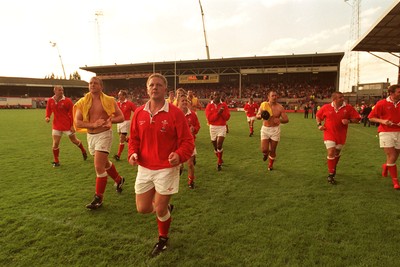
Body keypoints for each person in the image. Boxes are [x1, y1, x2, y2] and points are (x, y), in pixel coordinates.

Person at [128, 73, 194, 257]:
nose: (155, 87)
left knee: (159, 208)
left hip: (166, 168)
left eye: (158, 85)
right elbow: (133, 139)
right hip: (145, 168)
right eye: (152, 85)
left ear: (165, 90)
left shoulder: (175, 113)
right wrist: (132, 153)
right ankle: (164, 210)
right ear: (147, 89)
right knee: (142, 209)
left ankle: (163, 240)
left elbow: (188, 141)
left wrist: (179, 155)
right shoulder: (139, 113)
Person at [74, 77, 125, 209]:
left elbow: (121, 117)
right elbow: (77, 122)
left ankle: (98, 198)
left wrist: (110, 121)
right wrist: (92, 124)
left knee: (98, 166)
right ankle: (119, 180)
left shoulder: (109, 100)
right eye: (90, 83)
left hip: (104, 135)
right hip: (90, 136)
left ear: (101, 86)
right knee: (104, 163)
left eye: (95, 83)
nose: (92, 85)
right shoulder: (83, 102)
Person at [316, 91, 361, 184]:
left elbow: (357, 119)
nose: (342, 98)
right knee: (331, 151)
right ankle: (331, 174)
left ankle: (333, 166)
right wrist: (319, 125)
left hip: (341, 135)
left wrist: (349, 121)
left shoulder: (348, 108)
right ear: (334, 99)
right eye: (340, 97)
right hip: (329, 133)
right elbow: (318, 116)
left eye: (342, 97)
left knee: (337, 153)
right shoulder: (326, 107)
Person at [45, 85, 87, 167]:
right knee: (55, 144)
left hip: (67, 125)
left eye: (62, 90)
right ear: (55, 91)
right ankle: (56, 161)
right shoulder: (50, 100)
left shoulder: (67, 101)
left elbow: (72, 114)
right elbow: (48, 109)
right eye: (60, 90)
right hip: (56, 125)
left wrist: (72, 125)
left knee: (74, 141)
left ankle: (83, 150)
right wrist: (47, 116)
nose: (61, 91)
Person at [368, 84, 400, 189]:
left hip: (399, 132)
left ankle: (386, 166)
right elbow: (371, 117)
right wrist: (383, 121)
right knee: (392, 155)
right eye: (399, 92)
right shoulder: (382, 103)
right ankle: (395, 182)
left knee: (394, 156)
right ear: (391, 93)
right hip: (385, 132)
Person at [256, 89, 289, 171]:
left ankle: (270, 165)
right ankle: (265, 154)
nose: (274, 97)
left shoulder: (280, 107)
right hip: (265, 129)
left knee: (273, 150)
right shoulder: (264, 105)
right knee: (264, 149)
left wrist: (280, 120)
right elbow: (257, 115)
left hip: (275, 130)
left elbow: (286, 119)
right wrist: (260, 116)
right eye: (272, 96)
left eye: (275, 95)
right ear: (268, 97)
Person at [177, 93, 201, 189]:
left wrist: (194, 129)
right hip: (178, 143)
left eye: (185, 100)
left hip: (189, 142)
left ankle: (191, 181)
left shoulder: (192, 114)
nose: (184, 102)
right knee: (178, 166)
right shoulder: (175, 114)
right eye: (182, 101)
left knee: (190, 164)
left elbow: (198, 126)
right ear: (178, 102)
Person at [205, 91, 231, 171]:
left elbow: (227, 117)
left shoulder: (224, 105)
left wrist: (222, 113)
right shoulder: (209, 106)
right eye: (215, 95)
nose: (217, 96)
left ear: (220, 96)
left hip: (222, 127)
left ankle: (219, 163)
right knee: (215, 147)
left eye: (218, 95)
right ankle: (220, 157)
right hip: (212, 127)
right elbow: (210, 119)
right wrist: (218, 113)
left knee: (219, 145)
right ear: (213, 96)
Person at [113, 89, 137, 161]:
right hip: (119, 123)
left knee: (121, 139)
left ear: (124, 96)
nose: (119, 96)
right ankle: (133, 143)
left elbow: (136, 111)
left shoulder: (129, 103)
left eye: (120, 95)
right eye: (118, 95)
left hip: (126, 122)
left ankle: (118, 155)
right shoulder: (117, 104)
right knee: (123, 138)